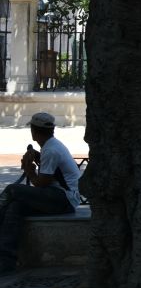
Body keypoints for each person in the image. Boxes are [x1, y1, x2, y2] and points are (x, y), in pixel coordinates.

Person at [0, 112, 81, 274]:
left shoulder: (51, 150)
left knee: (13, 190)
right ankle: (6, 262)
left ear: (33, 131)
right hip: (59, 197)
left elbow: (41, 184)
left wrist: (30, 171)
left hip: (63, 199)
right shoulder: (50, 146)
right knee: (15, 208)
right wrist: (36, 156)